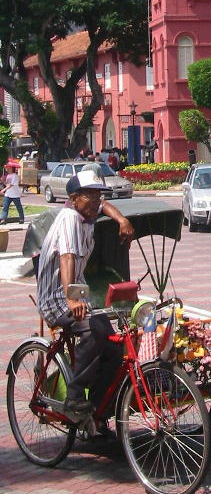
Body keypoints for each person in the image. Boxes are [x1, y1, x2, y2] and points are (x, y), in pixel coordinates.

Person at [36, 170, 134, 422]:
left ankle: (97, 410)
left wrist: (122, 219)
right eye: (89, 195)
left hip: (79, 294)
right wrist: (71, 298)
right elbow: (67, 256)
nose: (95, 200)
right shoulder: (69, 217)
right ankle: (75, 397)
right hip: (57, 297)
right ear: (74, 198)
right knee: (93, 333)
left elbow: (103, 206)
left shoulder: (87, 213)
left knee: (113, 345)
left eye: (97, 194)